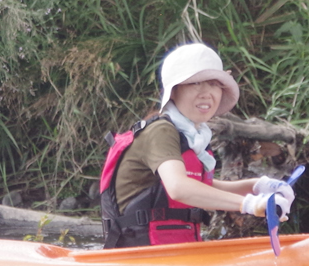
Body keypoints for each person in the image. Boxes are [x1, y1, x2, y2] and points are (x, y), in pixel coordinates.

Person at [98, 43, 295, 249]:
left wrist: (257, 187)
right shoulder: (162, 131)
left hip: (178, 250)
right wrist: (250, 205)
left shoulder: (194, 136)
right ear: (173, 92)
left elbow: (201, 186)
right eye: (194, 83)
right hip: (141, 254)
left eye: (213, 84)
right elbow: (179, 188)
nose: (206, 93)